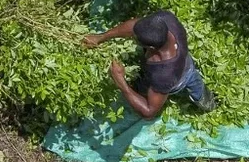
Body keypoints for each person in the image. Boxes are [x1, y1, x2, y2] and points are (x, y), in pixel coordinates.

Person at [83, 10, 217, 119]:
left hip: (180, 76)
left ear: (151, 47)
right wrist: (101, 37)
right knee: (146, 84)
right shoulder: (165, 19)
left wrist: (120, 82)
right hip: (183, 60)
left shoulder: (163, 74)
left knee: (196, 88)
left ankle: (210, 105)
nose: (132, 37)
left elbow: (149, 111)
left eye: (135, 39)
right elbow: (135, 26)